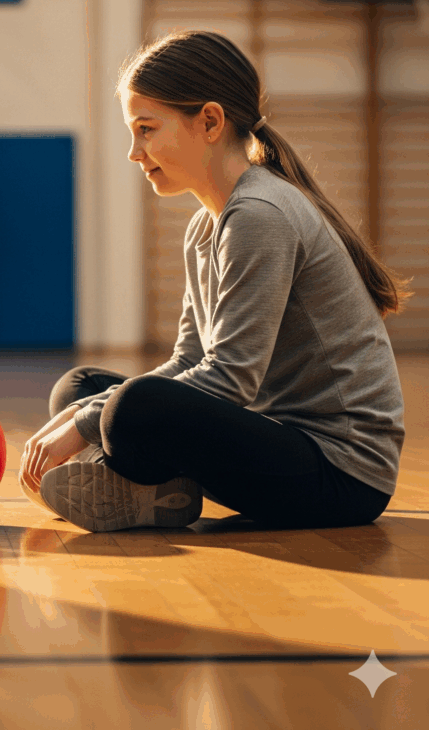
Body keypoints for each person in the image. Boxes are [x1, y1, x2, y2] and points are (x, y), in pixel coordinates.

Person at [20, 30, 407, 533]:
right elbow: (188, 359)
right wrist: (87, 411)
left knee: (127, 409)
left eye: (146, 129)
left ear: (209, 121)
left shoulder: (259, 214)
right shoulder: (208, 225)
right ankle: (155, 493)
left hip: (342, 476)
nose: (134, 152)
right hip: (272, 436)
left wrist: (86, 424)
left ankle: (138, 485)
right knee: (80, 387)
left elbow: (229, 377)